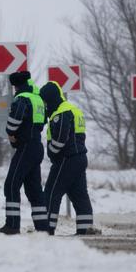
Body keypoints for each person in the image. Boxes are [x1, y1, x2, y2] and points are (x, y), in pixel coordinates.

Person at [38, 81, 96, 235]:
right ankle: (86, 228)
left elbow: (60, 139)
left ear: (50, 99)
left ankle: (46, 229)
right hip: (80, 158)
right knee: (79, 194)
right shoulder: (74, 110)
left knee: (51, 192)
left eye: (45, 101)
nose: (45, 106)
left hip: (66, 159)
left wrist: (52, 150)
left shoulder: (61, 113)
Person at [0, 70, 49, 235]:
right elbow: (42, 122)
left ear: (17, 86)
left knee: (12, 184)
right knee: (34, 189)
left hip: (26, 147)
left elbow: (13, 123)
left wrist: (10, 133)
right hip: (36, 147)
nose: (14, 90)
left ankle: (12, 226)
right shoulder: (38, 99)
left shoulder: (22, 99)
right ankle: (43, 228)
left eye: (14, 87)